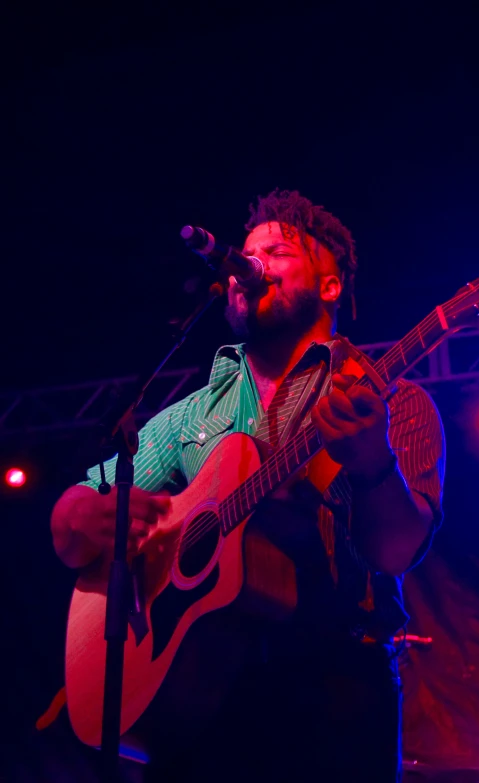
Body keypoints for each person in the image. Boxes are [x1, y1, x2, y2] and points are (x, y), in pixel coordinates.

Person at [51, 188, 445, 782]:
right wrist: (78, 516)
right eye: (247, 252)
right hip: (197, 696)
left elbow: (395, 552)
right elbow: (83, 505)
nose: (250, 263)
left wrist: (371, 463)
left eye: (279, 252)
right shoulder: (190, 415)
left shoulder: (392, 400)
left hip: (335, 693)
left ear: (330, 286)